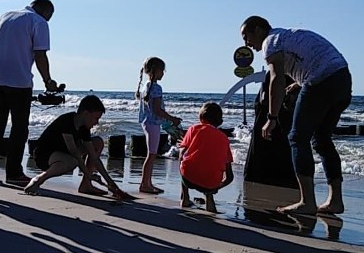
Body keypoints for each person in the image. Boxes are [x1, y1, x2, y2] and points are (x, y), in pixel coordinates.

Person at [240, 15, 352, 215]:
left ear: (257, 29)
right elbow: (316, 60)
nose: (247, 44)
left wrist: (271, 118)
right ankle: (336, 201)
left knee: (297, 138)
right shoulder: (287, 35)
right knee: (322, 140)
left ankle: (306, 202)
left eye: (246, 36)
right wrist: (299, 84)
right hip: (342, 79)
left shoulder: (270, 42)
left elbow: (276, 80)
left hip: (321, 81)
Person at [0, 0, 58, 186]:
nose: (49, 20)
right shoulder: (39, 22)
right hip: (18, 79)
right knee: (19, 128)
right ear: (45, 11)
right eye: (50, 16)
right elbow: (40, 54)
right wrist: (48, 81)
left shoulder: (6, 16)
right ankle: (13, 172)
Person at [24, 95, 133, 200]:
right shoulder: (67, 121)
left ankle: (86, 185)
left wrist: (110, 183)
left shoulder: (84, 128)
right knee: (73, 162)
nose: (97, 122)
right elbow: (74, 152)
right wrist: (88, 173)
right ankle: (38, 179)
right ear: (86, 113)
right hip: (44, 155)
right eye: (95, 118)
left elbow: (94, 157)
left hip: (63, 153)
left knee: (97, 143)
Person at [135, 56, 181, 194]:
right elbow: (157, 109)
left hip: (147, 123)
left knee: (151, 154)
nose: (163, 73)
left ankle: (147, 183)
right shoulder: (156, 88)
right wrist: (172, 119)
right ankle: (145, 184)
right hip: (153, 124)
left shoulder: (146, 87)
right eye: (162, 70)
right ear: (155, 71)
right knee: (152, 154)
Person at [179, 102, 234, 213]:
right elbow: (229, 177)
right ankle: (209, 200)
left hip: (188, 178)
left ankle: (185, 198)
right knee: (211, 170)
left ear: (200, 117)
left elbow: (181, 154)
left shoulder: (193, 129)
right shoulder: (224, 139)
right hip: (210, 184)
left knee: (185, 162)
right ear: (220, 122)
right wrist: (217, 187)